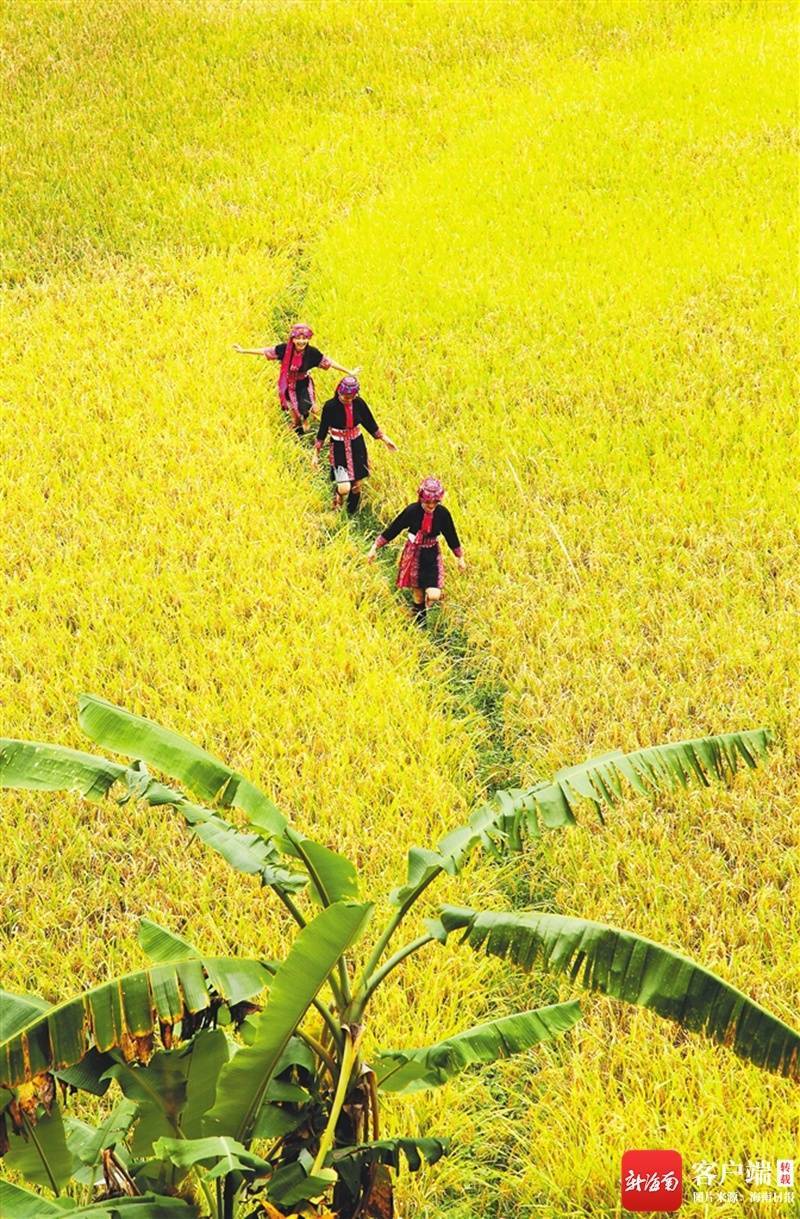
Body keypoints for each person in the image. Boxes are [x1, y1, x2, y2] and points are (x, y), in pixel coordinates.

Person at [367, 477, 465, 622]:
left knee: (433, 594)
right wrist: (375, 547)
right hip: (414, 553)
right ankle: (420, 623)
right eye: (428, 502)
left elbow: (451, 535)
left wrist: (460, 558)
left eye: (435, 502)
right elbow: (394, 528)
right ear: (421, 498)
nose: (431, 505)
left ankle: (424, 610)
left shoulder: (443, 514)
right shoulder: (412, 511)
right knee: (418, 594)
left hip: (432, 554)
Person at [233, 324, 359, 436]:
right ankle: (297, 427)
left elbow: (329, 362)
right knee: (294, 411)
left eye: (304, 338)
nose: (301, 341)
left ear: (308, 339)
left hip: (303, 384)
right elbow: (265, 351)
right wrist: (244, 351)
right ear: (292, 339)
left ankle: (311, 422)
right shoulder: (284, 349)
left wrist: (349, 371)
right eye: (298, 338)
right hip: (288, 385)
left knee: (308, 407)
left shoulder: (312, 353)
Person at [312, 376, 397, 514]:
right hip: (339, 447)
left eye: (352, 396)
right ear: (339, 392)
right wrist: (315, 454)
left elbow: (370, 423)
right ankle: (338, 496)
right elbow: (322, 430)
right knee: (345, 487)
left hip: (357, 445)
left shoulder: (359, 403)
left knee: (357, 485)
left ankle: (350, 513)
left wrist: (385, 439)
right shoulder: (330, 406)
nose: (349, 399)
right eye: (346, 396)